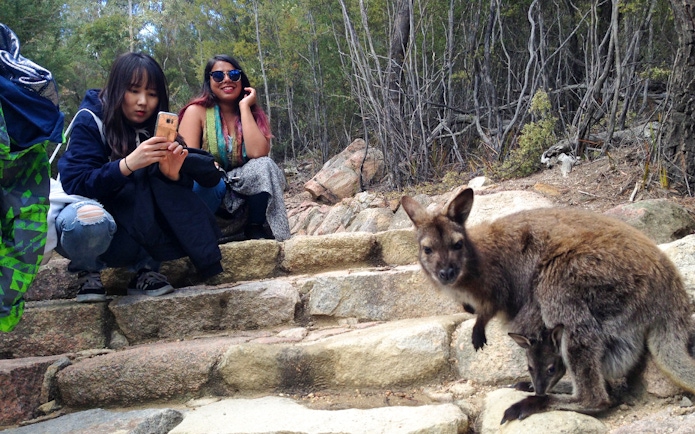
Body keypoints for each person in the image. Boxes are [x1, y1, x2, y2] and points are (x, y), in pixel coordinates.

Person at [57, 52, 223, 303]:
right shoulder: (91, 119)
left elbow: (173, 198)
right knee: (88, 219)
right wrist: (127, 164)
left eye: (152, 94)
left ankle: (145, 269)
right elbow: (76, 183)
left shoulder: (158, 129)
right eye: (134, 91)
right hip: (92, 225)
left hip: (134, 232)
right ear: (116, 89)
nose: (143, 102)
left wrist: (172, 175)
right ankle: (88, 269)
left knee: (201, 188)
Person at [178, 55, 291, 241]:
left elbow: (259, 154)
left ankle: (256, 227)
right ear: (209, 81)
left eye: (233, 74)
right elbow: (188, 159)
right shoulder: (195, 112)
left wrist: (245, 107)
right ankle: (197, 236)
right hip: (212, 195)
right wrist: (209, 167)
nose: (227, 79)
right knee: (209, 180)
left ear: (241, 79)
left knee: (266, 166)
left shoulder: (252, 114)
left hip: (244, 199)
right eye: (218, 76)